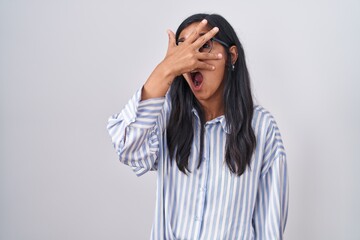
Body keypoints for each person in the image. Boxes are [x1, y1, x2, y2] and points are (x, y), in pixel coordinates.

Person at [107, 13, 289, 240]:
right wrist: (165, 70)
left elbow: (269, 227)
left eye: (203, 45)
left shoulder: (262, 127)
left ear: (231, 56)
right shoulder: (166, 115)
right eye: (183, 51)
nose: (191, 59)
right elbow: (127, 148)